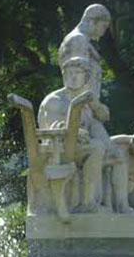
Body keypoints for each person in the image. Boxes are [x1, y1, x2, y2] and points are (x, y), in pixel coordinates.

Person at [38, 56, 111, 214]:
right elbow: (51, 129)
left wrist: (95, 104)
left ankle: (118, 205)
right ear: (64, 75)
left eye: (77, 73)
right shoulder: (54, 100)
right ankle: (87, 202)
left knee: (115, 154)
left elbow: (105, 116)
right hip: (58, 150)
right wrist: (73, 131)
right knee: (97, 147)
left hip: (79, 148)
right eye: (69, 73)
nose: (73, 77)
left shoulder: (86, 99)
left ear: (86, 77)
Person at [58, 4, 112, 125]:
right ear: (93, 21)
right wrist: (97, 107)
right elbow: (77, 81)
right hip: (79, 110)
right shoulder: (78, 40)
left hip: (85, 108)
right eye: (103, 26)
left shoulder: (82, 40)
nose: (104, 31)